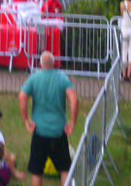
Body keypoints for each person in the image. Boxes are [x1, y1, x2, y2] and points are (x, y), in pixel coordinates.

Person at [19, 51, 78, 186]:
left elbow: (22, 97)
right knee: (65, 168)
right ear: (54, 63)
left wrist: (26, 121)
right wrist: (73, 123)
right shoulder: (62, 78)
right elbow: (74, 100)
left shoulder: (34, 78)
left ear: (40, 64)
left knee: (37, 171)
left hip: (39, 131)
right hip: (59, 131)